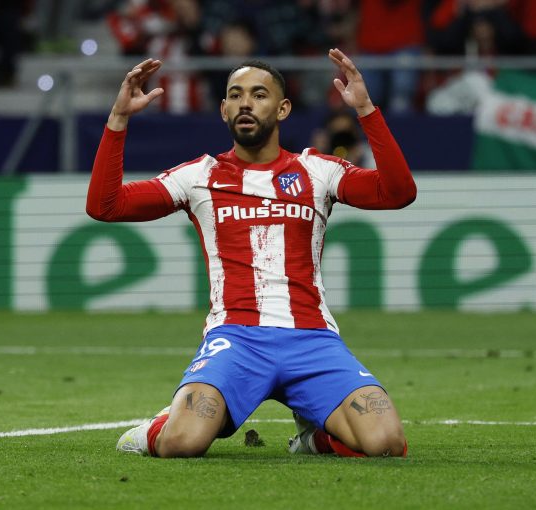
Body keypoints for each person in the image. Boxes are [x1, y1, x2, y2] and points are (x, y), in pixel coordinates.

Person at [86, 48, 416, 458]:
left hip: (312, 339)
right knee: (184, 442)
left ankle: (312, 437)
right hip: (236, 340)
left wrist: (365, 109)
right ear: (223, 109)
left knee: (387, 443)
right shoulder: (198, 177)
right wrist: (118, 120)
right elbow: (105, 205)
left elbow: (398, 193)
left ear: (282, 109)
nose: (246, 103)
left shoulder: (318, 171)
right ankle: (156, 427)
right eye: (236, 95)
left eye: (259, 95)